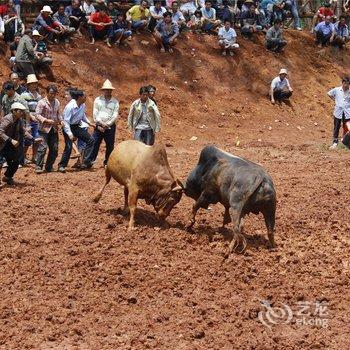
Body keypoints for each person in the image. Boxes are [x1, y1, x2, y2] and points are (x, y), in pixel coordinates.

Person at [58, 90, 95, 172]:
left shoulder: (83, 105)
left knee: (91, 140)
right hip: (68, 127)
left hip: (76, 126)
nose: (86, 98)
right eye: (84, 96)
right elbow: (66, 121)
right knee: (68, 147)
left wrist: (89, 123)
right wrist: (70, 134)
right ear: (79, 97)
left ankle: (86, 162)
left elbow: (82, 115)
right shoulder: (70, 106)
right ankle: (61, 166)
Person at [0, 102, 29, 186]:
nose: (22, 113)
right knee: (0, 163)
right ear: (14, 111)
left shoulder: (19, 120)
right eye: (20, 111)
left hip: (10, 145)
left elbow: (22, 131)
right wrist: (10, 140)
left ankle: (7, 177)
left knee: (15, 162)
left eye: (22, 111)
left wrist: (32, 138)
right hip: (2, 143)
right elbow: (0, 132)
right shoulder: (7, 119)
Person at [91, 79, 119, 166]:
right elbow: (95, 114)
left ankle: (107, 162)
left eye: (109, 89)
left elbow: (115, 115)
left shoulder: (115, 101)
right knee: (95, 142)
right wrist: (101, 123)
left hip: (110, 126)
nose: (108, 91)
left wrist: (108, 124)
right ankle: (90, 161)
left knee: (110, 145)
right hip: (99, 125)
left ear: (111, 90)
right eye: (106, 89)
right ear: (103, 90)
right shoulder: (97, 100)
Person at [35, 84, 62, 173]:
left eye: (54, 93)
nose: (53, 95)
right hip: (43, 129)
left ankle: (49, 166)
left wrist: (60, 121)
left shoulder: (57, 102)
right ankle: (38, 166)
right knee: (42, 148)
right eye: (51, 93)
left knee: (54, 148)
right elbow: (37, 115)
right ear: (47, 93)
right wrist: (46, 120)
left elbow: (58, 114)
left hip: (53, 128)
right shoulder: (41, 102)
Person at [21, 74, 42, 164]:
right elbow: (23, 108)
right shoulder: (24, 95)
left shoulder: (39, 96)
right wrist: (30, 116)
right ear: (28, 85)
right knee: (27, 139)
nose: (34, 85)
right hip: (26, 120)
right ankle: (23, 156)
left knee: (37, 138)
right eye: (32, 83)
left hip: (36, 120)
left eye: (35, 83)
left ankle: (34, 157)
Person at [327, 77, 350, 149]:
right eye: (345, 83)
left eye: (348, 84)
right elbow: (329, 94)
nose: (346, 85)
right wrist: (335, 100)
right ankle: (335, 142)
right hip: (338, 112)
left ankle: (345, 142)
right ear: (342, 83)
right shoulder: (336, 90)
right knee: (336, 127)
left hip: (347, 112)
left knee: (346, 127)